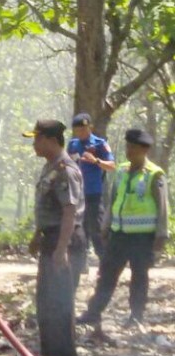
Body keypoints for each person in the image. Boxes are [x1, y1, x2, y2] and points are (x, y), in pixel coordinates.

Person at [78, 129, 168, 329]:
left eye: (133, 147)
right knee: (106, 275)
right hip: (118, 235)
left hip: (142, 237)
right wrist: (105, 226)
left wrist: (161, 237)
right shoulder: (121, 171)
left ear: (144, 150)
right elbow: (113, 200)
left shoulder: (154, 175)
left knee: (139, 277)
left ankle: (136, 316)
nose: (129, 151)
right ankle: (93, 313)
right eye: (128, 146)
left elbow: (162, 208)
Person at [24, 119, 86, 356]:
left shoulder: (65, 170)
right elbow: (48, 209)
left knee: (61, 301)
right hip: (51, 238)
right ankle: (50, 355)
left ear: (51, 140)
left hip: (65, 240)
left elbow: (69, 212)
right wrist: (38, 235)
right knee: (46, 300)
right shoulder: (49, 168)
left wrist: (61, 249)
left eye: (37, 139)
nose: (34, 145)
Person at [67, 113, 116, 264]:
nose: (81, 133)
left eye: (84, 129)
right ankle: (80, 264)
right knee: (78, 229)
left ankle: (105, 263)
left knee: (97, 228)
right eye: (77, 130)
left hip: (94, 193)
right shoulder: (72, 145)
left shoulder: (100, 144)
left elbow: (112, 166)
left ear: (90, 127)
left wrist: (96, 161)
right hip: (76, 194)